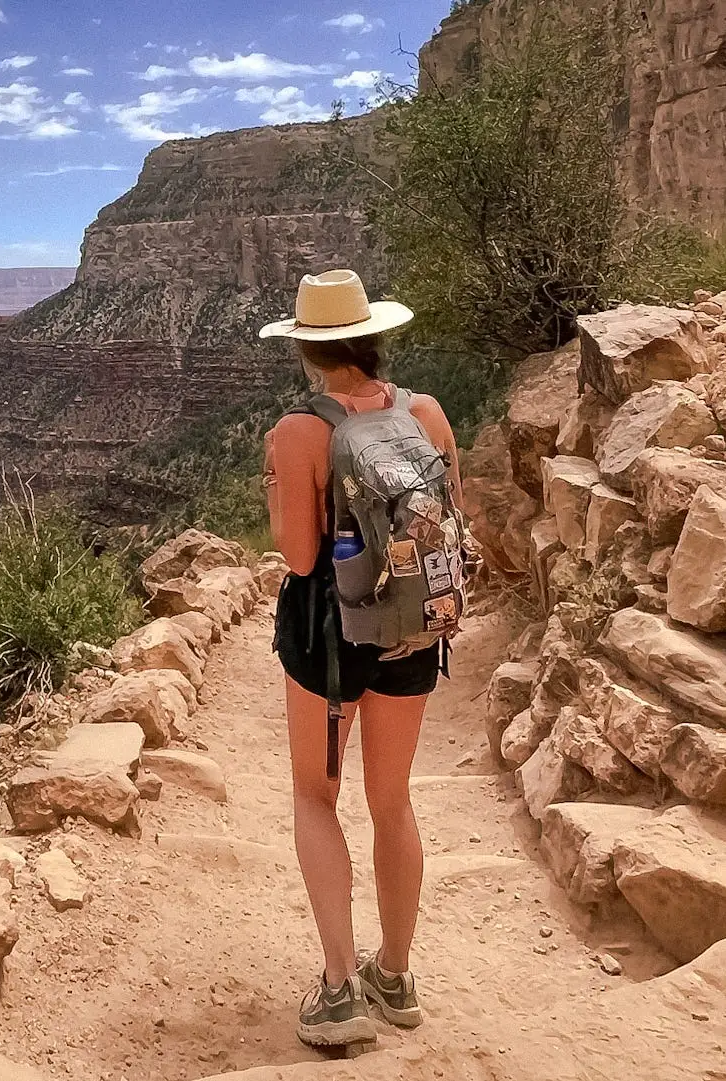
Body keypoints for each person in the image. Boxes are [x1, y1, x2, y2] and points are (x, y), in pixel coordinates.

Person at [259, 270, 462, 1049]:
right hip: (413, 627)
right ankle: (397, 974)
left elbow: (300, 555)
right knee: (392, 800)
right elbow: (453, 521)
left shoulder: (298, 430)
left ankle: (339, 987)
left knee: (316, 795)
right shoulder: (426, 413)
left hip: (326, 636)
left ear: (309, 350)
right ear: (375, 337)